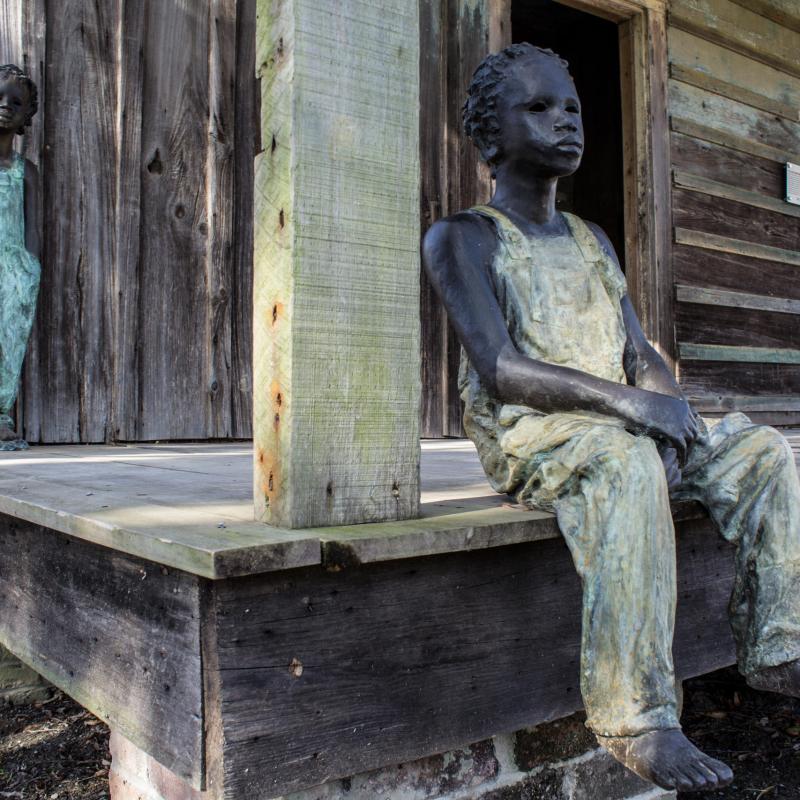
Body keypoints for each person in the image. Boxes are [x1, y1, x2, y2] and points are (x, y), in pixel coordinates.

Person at [422, 42, 800, 794]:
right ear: (492, 136)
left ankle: (780, 643)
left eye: (572, 108)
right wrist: (635, 413)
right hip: (535, 433)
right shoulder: (464, 238)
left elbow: (640, 354)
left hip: (616, 427)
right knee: (625, 465)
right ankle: (638, 717)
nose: (565, 121)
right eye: (539, 108)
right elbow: (502, 370)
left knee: (759, 450)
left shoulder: (592, 241)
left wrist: (664, 405)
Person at [0, 64, 40, 451]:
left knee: (7, 342)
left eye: (16, 102)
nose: (5, 107)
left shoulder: (25, 171)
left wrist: (30, 269)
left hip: (13, 270)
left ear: (26, 115)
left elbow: (33, 232)